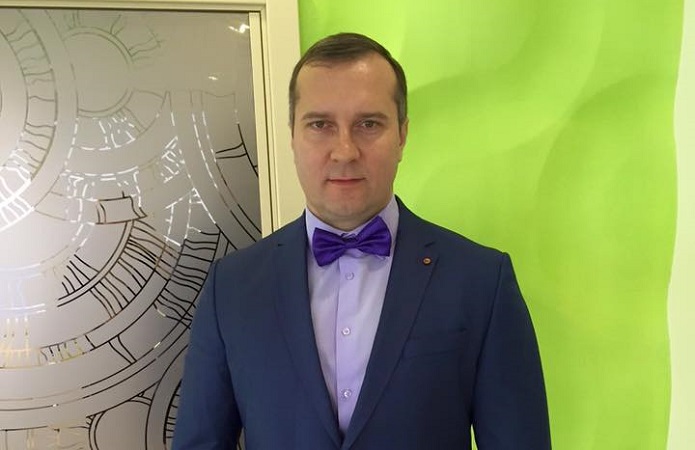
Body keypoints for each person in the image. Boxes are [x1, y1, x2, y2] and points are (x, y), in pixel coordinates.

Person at [172, 32, 551, 450]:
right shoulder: (231, 288)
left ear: (402, 135)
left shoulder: (481, 281)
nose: (345, 151)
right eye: (320, 125)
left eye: (368, 124)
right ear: (293, 136)